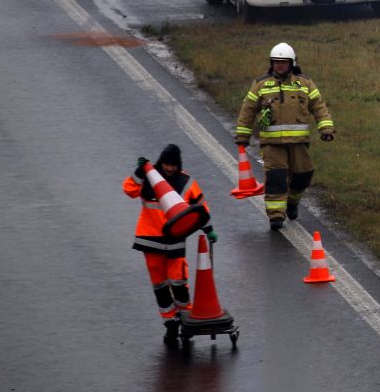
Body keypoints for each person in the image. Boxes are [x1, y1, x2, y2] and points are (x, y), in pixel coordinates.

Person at [234, 43, 335, 229]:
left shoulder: (304, 84)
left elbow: (319, 107)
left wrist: (326, 129)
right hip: (272, 145)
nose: (279, 65)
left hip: (299, 143)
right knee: (276, 178)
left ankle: (292, 202)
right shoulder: (261, 85)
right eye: (276, 62)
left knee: (303, 176)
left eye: (283, 62)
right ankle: (276, 216)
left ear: (292, 63)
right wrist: (242, 135)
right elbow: (247, 110)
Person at [124, 143, 217, 346]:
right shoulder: (149, 176)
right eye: (166, 164)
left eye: (172, 165)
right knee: (160, 285)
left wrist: (208, 228)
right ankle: (170, 324)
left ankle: (186, 320)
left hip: (175, 239)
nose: (168, 168)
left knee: (178, 281)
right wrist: (140, 171)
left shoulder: (186, 181)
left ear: (178, 165)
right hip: (150, 239)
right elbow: (129, 189)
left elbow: (200, 207)